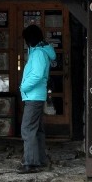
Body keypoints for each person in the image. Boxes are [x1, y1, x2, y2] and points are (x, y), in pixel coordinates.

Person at [17, 24, 56, 174]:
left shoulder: (38, 54)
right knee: (37, 130)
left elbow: (38, 75)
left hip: (33, 96)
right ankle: (40, 160)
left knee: (27, 129)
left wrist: (23, 87)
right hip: (36, 96)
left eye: (26, 39)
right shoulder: (39, 52)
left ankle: (31, 163)